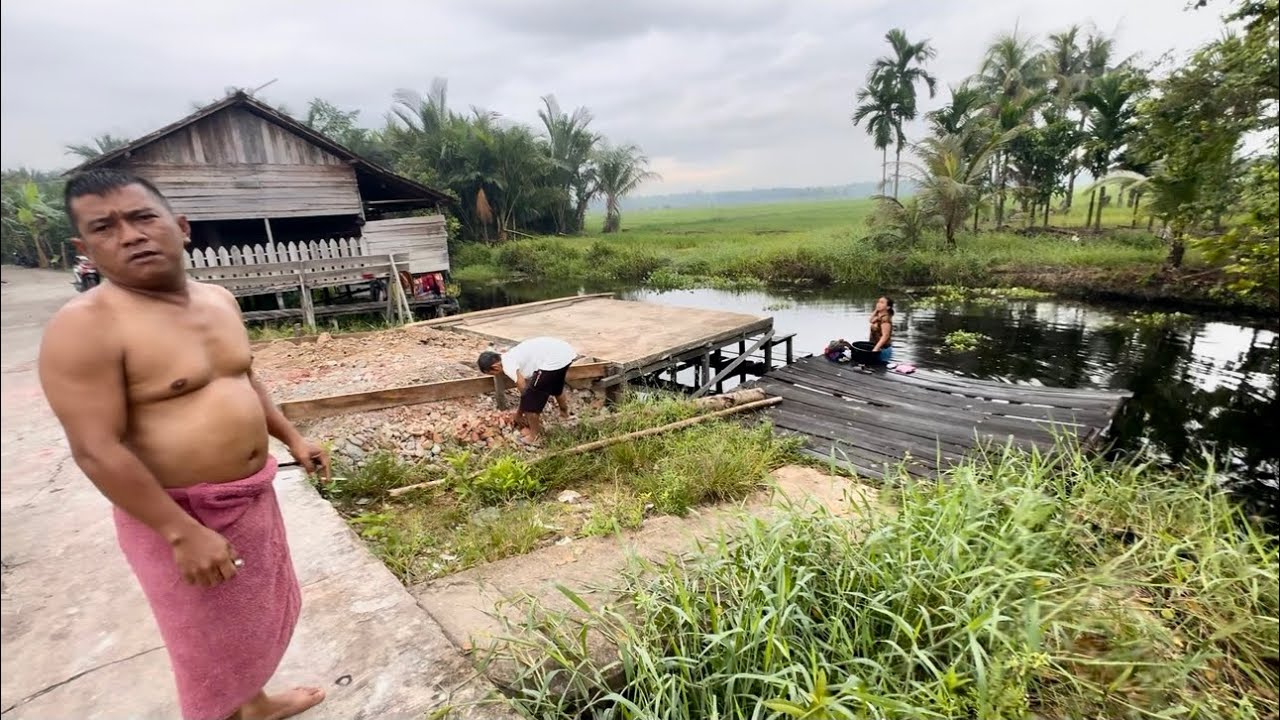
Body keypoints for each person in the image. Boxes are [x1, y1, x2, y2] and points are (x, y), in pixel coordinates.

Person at [38, 169, 329, 720]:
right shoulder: (85, 327)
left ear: (181, 225)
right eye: (105, 227)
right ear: (85, 248)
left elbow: (242, 378)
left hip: (249, 498)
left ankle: (255, 704)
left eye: (142, 217)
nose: (129, 235)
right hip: (178, 514)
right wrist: (180, 531)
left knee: (246, 624)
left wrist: (291, 437)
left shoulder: (217, 299)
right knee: (205, 646)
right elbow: (95, 448)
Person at [477, 336, 578, 445]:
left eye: (492, 373)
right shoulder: (509, 355)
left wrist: (519, 414)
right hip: (565, 352)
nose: (495, 375)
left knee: (531, 405)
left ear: (495, 367)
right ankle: (565, 414)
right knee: (555, 385)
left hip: (554, 359)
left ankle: (534, 437)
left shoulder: (508, 366)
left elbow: (526, 393)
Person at [832, 295, 896, 365]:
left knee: (877, 370)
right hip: (875, 347)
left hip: (882, 350)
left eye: (882, 302)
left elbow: (885, 336)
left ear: (888, 307)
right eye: (878, 302)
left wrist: (875, 349)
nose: (878, 304)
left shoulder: (885, 319)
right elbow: (871, 320)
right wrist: (876, 310)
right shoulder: (879, 316)